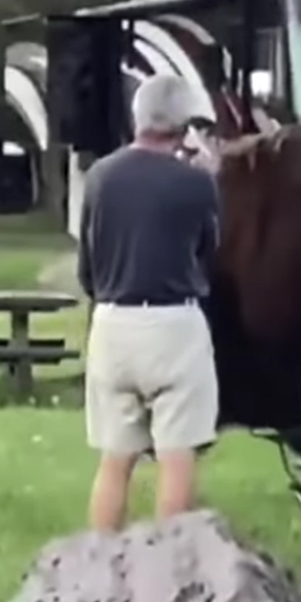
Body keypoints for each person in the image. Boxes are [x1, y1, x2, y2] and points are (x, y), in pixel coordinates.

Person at [77, 74, 220, 533]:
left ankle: (98, 567)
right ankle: (165, 577)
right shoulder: (195, 183)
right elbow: (208, 251)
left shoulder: (99, 176)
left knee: (115, 461)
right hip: (173, 325)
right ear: (182, 125)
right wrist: (208, 174)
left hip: (112, 322)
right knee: (176, 460)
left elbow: (87, 263)